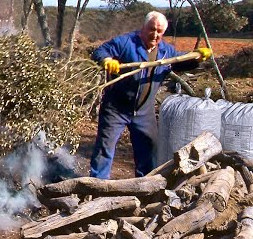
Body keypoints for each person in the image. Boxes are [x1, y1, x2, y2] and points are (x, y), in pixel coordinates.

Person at [89, 11, 212, 179]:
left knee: (148, 151)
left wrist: (197, 57)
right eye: (152, 29)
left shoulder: (165, 52)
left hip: (144, 112)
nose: (155, 34)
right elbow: (101, 51)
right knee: (105, 148)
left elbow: (181, 62)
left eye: (159, 31)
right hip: (116, 109)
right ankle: (97, 186)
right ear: (144, 27)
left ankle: (145, 187)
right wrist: (106, 60)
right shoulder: (126, 42)